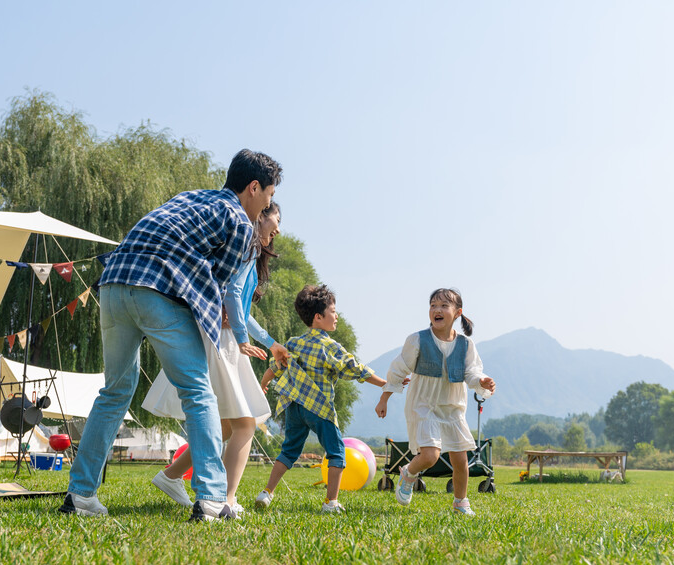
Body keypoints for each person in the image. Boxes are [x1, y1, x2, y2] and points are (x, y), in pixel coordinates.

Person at [59, 149, 282, 522]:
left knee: (114, 391)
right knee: (198, 392)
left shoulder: (189, 196)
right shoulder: (241, 225)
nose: (267, 206)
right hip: (158, 291)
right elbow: (221, 289)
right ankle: (212, 499)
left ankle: (80, 495)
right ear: (254, 187)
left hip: (113, 285)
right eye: (269, 196)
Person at [145, 201, 289, 514]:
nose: (277, 229)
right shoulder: (245, 246)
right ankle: (226, 499)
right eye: (274, 220)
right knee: (245, 425)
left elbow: (241, 309)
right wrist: (240, 338)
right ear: (259, 216)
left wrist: (269, 341)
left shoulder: (240, 247)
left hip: (216, 334)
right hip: (222, 339)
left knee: (223, 426)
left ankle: (171, 476)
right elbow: (233, 296)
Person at [255, 285, 386, 513]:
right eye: (333, 311)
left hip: (294, 407)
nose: (336, 316)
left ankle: (266, 493)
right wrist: (385, 383)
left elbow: (275, 368)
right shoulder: (330, 346)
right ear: (318, 317)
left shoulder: (294, 343)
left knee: (288, 451)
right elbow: (356, 369)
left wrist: (262, 385)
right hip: (319, 408)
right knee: (336, 452)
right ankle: (331, 502)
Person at [374, 288, 496, 516]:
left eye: (443, 306)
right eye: (433, 305)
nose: (436, 310)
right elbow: (398, 370)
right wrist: (384, 398)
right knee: (431, 455)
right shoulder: (418, 340)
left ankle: (461, 502)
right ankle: (408, 473)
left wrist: (482, 380)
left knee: (461, 460)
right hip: (424, 405)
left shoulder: (466, 345)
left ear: (457, 312)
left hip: (453, 409)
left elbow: (471, 372)